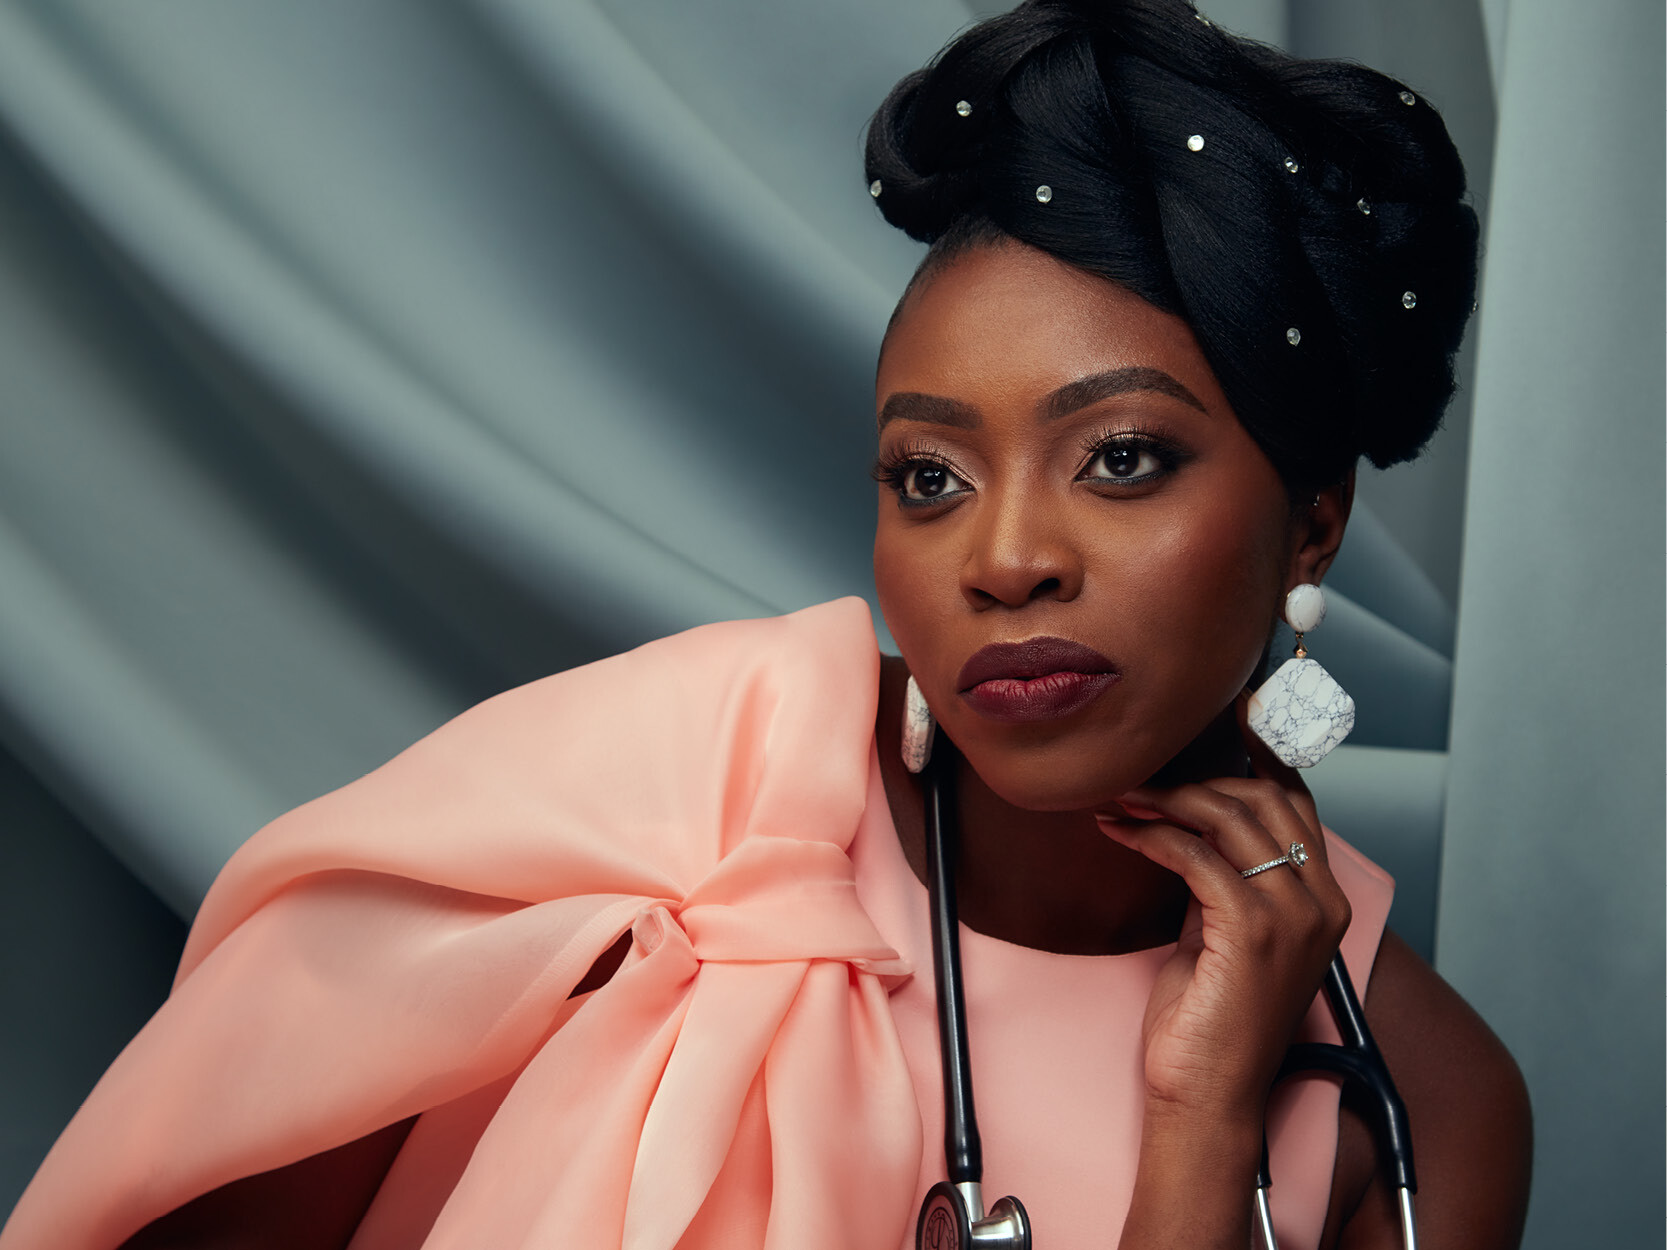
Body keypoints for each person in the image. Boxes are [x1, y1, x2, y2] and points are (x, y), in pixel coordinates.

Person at [1, 2, 1531, 1248]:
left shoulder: (1423, 1105)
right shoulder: (690, 795)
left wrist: (1201, 1121)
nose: (1002, 559)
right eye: (928, 475)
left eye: (1120, 457)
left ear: (1309, 518)